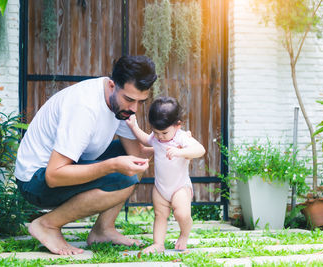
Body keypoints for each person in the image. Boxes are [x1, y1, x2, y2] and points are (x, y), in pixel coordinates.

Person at [14, 55, 157, 255]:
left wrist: (165, 148)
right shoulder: (84, 108)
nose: (134, 108)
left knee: (135, 163)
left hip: (67, 166)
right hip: (35, 180)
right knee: (122, 174)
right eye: (129, 99)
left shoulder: (121, 107)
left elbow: (136, 154)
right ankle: (47, 225)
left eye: (141, 102)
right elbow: (53, 176)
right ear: (111, 85)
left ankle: (103, 230)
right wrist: (112, 165)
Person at [126, 96, 206, 254]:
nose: (159, 136)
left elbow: (200, 150)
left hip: (179, 187)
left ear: (177, 125)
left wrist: (181, 151)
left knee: (182, 214)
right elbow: (145, 139)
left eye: (163, 132)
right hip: (160, 187)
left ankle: (184, 234)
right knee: (160, 215)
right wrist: (133, 127)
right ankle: (158, 244)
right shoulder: (156, 138)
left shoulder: (181, 137)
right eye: (156, 132)